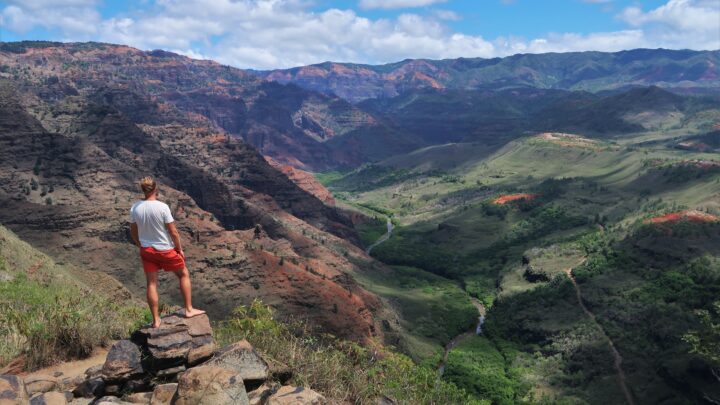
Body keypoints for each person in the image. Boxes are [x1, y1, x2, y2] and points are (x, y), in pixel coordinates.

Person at [129, 176, 205, 328]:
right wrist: (179, 249)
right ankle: (189, 310)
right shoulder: (162, 207)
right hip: (165, 249)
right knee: (183, 274)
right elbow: (174, 232)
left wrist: (140, 245)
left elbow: (133, 231)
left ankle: (156, 320)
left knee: (151, 283)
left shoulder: (135, 207)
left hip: (147, 250)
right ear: (155, 189)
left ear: (143, 190)